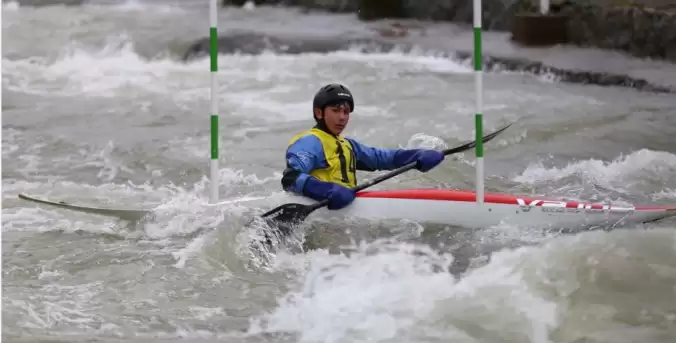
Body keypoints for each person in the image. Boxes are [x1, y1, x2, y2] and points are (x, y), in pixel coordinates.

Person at [281, 83, 445, 210]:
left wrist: (417, 155)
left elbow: (381, 158)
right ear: (319, 113)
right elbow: (290, 178)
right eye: (336, 110)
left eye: (346, 112)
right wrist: (326, 190)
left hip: (343, 212)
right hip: (322, 209)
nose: (342, 117)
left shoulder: (348, 145)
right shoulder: (309, 141)